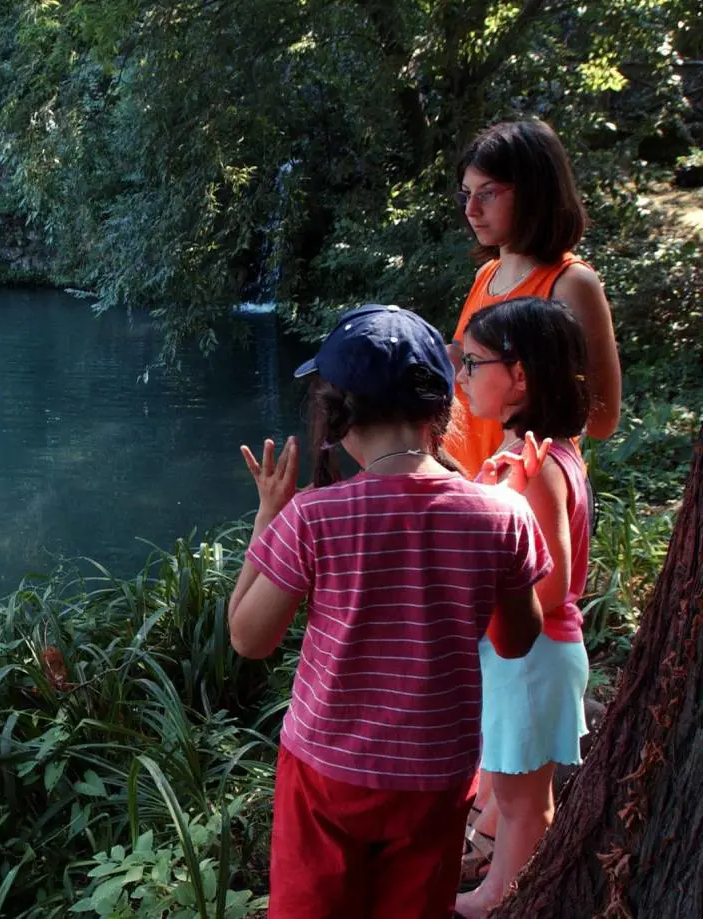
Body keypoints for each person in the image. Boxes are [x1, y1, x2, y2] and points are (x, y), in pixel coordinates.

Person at [228, 303, 551, 919]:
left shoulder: (314, 517)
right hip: (436, 771)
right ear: (440, 411)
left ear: (335, 413)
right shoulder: (500, 515)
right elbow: (515, 640)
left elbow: (248, 638)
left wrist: (271, 512)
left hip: (326, 772)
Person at [453, 297, 593, 919]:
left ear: (520, 375)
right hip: (521, 654)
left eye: (472, 362)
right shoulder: (533, 452)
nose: (460, 377)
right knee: (511, 784)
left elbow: (553, 585)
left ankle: (501, 896)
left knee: (521, 797)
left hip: (532, 656)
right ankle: (502, 874)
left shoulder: (534, 466)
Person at [443, 117, 621, 480]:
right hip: (469, 486)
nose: (471, 209)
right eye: (466, 194)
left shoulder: (571, 283)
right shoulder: (485, 276)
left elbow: (602, 420)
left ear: (534, 192)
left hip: (528, 493)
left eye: (487, 193)